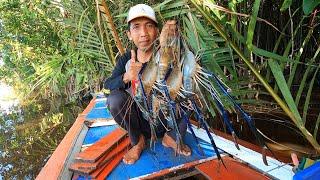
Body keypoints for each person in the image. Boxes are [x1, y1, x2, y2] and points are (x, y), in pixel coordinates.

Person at [104, 4, 191, 165]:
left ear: (157, 32)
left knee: (191, 90)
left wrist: (171, 41)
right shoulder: (125, 60)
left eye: (149, 26)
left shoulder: (167, 54)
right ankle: (138, 142)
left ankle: (171, 137)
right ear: (129, 34)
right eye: (136, 27)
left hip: (166, 121)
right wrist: (127, 76)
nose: (143, 33)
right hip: (139, 123)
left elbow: (185, 70)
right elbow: (107, 85)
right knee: (114, 99)